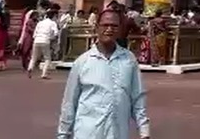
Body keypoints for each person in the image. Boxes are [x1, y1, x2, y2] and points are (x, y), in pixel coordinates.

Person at [58, 9, 152, 139]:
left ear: (119, 30)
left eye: (114, 26)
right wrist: (63, 134)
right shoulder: (83, 62)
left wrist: (144, 130)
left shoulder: (129, 60)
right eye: (105, 25)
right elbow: (69, 103)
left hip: (117, 133)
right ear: (97, 27)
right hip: (87, 133)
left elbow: (137, 97)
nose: (109, 29)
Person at [30, 10, 61, 79]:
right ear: (53, 16)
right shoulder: (53, 23)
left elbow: (34, 34)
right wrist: (52, 38)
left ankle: (30, 68)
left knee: (34, 57)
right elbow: (56, 33)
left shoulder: (40, 23)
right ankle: (44, 74)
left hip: (36, 40)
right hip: (45, 40)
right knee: (47, 58)